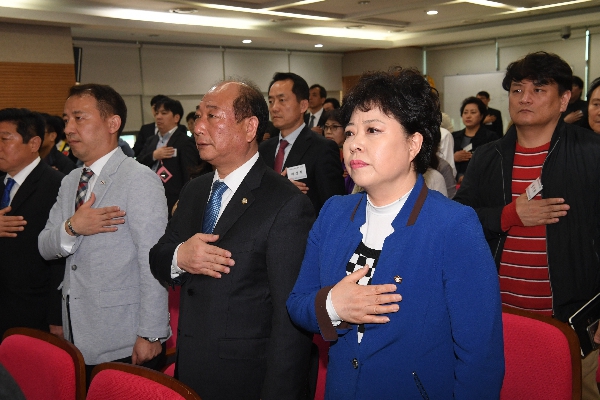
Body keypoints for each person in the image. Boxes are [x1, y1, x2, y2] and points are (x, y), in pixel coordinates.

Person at [287, 68, 504, 399]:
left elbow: (480, 359)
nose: (354, 144)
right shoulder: (333, 213)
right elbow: (297, 303)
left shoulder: (453, 225)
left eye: (373, 130)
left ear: (413, 143)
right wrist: (333, 305)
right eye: (350, 132)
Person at [149, 80, 315, 400]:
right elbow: (158, 255)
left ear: (249, 127)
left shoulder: (285, 203)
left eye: (212, 116)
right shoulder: (195, 190)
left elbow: (290, 319)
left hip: (247, 377)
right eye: (198, 116)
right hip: (192, 367)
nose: (198, 127)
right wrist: (181, 256)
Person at [454, 51, 600, 400]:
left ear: (564, 99)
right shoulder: (488, 157)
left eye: (538, 89)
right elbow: (459, 222)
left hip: (573, 323)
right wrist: (509, 216)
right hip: (499, 321)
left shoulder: (592, 153)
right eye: (517, 90)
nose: (525, 98)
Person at [38, 84, 170, 384]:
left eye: (79, 118)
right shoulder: (70, 180)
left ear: (113, 123)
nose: (68, 128)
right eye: (66, 119)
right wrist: (73, 227)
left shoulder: (139, 179)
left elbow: (152, 261)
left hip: (124, 335)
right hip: (78, 332)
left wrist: (151, 332)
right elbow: (44, 245)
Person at [0, 108, 65, 340]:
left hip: (34, 309)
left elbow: (63, 255)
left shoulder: (57, 185)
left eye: (5, 139)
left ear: (34, 143)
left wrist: (57, 315)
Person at [259, 72, 345, 213]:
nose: (274, 108)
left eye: (282, 100)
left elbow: (334, 206)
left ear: (303, 105)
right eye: (271, 101)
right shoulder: (264, 149)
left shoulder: (323, 148)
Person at [137, 97, 201, 215]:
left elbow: (190, 175)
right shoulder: (151, 140)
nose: (158, 117)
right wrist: (154, 155)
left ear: (176, 117)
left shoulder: (184, 142)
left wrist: (184, 201)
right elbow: (138, 162)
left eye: (164, 113)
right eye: (157, 113)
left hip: (172, 201)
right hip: (148, 197)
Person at [452, 96, 497, 183]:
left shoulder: (490, 137)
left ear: (481, 116)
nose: (468, 116)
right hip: (454, 183)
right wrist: (453, 157)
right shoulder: (453, 136)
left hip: (480, 183)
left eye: (473, 112)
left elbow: (493, 163)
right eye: (465, 112)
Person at [323, 109, 354, 194]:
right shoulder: (322, 152)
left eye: (334, 127)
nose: (328, 132)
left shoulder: (354, 153)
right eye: (326, 127)